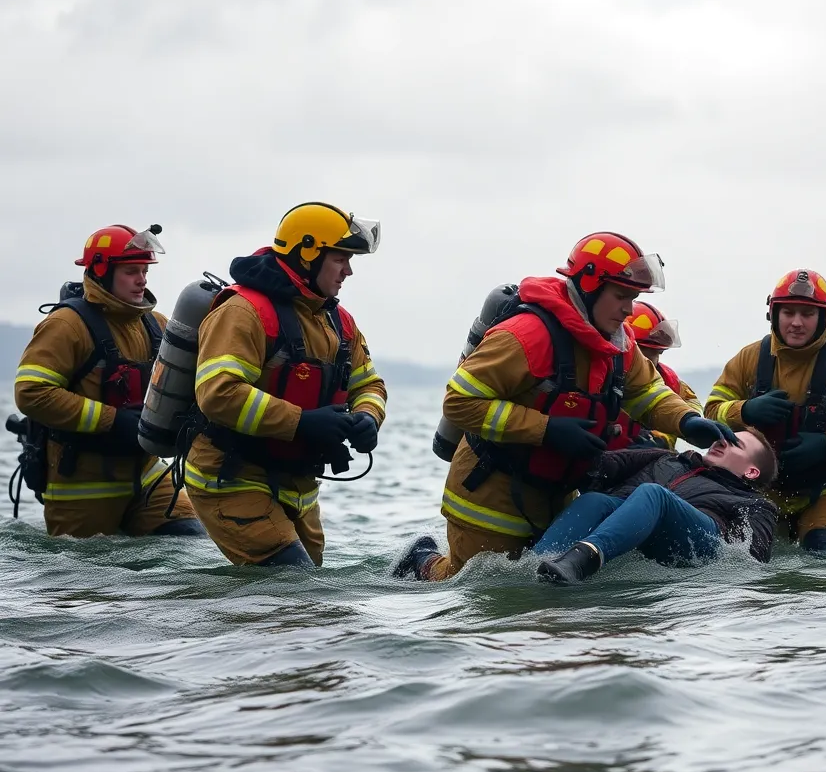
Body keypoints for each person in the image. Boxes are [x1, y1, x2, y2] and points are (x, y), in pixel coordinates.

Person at [394, 231, 737, 581]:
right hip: (489, 496)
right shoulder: (527, 336)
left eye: (633, 298)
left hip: (555, 495)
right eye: (621, 296)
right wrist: (546, 429)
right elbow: (459, 402)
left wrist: (687, 420)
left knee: (542, 607)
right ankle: (422, 561)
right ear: (588, 285)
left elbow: (647, 391)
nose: (628, 309)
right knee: (472, 585)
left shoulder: (618, 344)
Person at [185, 202, 387, 567]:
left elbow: (369, 383)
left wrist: (369, 417)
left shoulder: (340, 322)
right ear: (308, 253)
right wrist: (302, 421)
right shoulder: (243, 311)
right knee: (293, 585)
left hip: (298, 483)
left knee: (305, 601)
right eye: (341, 259)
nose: (349, 271)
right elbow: (218, 393)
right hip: (232, 475)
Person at [13, 224, 204, 538]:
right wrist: (113, 421)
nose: (142, 279)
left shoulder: (155, 325)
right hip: (83, 485)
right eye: (131, 271)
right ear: (100, 271)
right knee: (86, 577)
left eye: (144, 270)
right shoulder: (66, 326)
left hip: (146, 475)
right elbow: (31, 393)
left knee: (189, 541)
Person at [704, 269, 826, 553]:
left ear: (824, 317)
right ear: (773, 314)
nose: (796, 323)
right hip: (760, 488)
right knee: (750, 565)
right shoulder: (747, 359)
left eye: (807, 314)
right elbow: (711, 412)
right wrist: (746, 411)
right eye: (788, 312)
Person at [532, 428, 780, 584]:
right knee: (594, 500)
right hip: (631, 528)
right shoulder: (665, 457)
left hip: (697, 543)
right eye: (724, 435)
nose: (722, 441)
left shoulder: (755, 503)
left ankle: (583, 559)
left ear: (751, 471)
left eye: (735, 443)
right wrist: (581, 441)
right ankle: (537, 565)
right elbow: (601, 467)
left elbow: (753, 563)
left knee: (653, 493)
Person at [622, 300, 702, 449]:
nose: (654, 360)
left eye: (659, 353)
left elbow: (690, 403)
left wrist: (663, 438)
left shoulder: (667, 379)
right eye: (644, 352)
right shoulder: (603, 371)